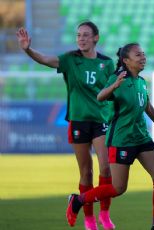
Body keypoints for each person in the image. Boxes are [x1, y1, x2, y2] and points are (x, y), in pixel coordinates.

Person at [16, 22, 116, 230]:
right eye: (78, 35)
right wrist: (28, 49)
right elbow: (45, 59)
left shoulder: (107, 64)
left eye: (86, 35)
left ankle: (104, 215)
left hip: (100, 121)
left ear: (96, 38)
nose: (81, 38)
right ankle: (89, 219)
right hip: (78, 121)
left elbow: (114, 93)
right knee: (86, 172)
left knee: (106, 168)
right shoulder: (70, 59)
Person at [65, 43, 154, 230]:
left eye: (143, 53)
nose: (143, 57)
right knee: (118, 188)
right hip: (121, 140)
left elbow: (146, 106)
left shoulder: (141, 81)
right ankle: (78, 200)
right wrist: (114, 85)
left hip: (141, 137)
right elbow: (100, 97)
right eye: (138, 54)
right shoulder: (117, 78)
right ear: (126, 60)